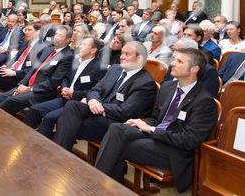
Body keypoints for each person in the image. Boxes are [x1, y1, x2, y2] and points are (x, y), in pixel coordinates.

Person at [95, 48, 217, 193]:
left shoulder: (204, 101)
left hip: (174, 151)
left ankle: (100, 187)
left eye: (179, 61)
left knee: (118, 146)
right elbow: (156, 118)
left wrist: (151, 129)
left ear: (194, 69)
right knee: (117, 128)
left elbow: (188, 140)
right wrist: (142, 123)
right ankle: (106, 187)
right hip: (156, 137)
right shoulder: (168, 87)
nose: (172, 64)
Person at [52, 41, 157, 151]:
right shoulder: (115, 69)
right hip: (98, 110)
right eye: (122, 53)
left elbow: (125, 111)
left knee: (69, 122)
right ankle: (61, 151)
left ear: (140, 59)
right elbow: (95, 89)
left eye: (127, 54)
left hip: (116, 121)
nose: (122, 57)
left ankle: (60, 152)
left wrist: (99, 105)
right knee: (72, 105)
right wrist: (92, 100)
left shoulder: (145, 83)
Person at [24, 37, 106, 137]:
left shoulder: (99, 68)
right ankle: (24, 137)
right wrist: (64, 88)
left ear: (93, 50)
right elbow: (66, 78)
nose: (80, 46)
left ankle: (40, 146)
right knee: (34, 110)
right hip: (64, 98)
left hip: (77, 104)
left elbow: (95, 91)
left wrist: (73, 94)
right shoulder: (76, 60)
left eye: (84, 44)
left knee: (49, 118)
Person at [0, 25, 74, 115]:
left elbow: (54, 81)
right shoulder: (49, 49)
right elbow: (33, 69)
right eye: (56, 34)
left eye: (60, 36)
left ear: (68, 40)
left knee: (11, 100)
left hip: (42, 91)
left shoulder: (68, 56)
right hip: (28, 85)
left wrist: (29, 89)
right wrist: (22, 84)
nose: (56, 37)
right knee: (1, 97)